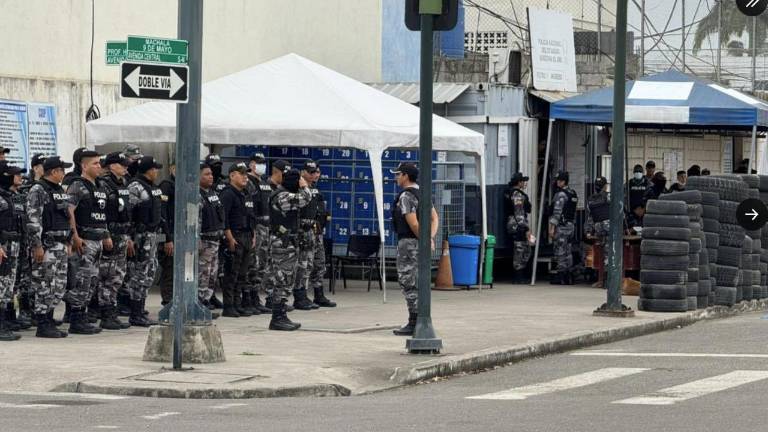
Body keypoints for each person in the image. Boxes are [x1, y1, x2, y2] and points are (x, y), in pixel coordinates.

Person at [27, 156, 73, 338]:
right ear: (54, 171)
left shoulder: (58, 190)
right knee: (44, 285)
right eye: (62, 170)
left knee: (58, 286)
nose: (64, 173)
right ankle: (43, 324)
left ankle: (49, 319)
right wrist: (37, 246)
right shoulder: (38, 190)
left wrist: (68, 241)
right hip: (46, 245)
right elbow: (33, 220)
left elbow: (65, 217)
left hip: (60, 244)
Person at [391, 162, 439, 336]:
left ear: (405, 176)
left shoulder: (406, 196)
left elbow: (413, 223)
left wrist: (425, 240)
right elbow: (435, 218)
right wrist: (430, 237)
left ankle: (414, 321)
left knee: (408, 281)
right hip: (419, 242)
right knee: (419, 281)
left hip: (409, 244)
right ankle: (420, 319)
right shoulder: (422, 193)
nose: (396, 178)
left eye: (398, 174)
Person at [65, 150, 109, 335]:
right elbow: (69, 211)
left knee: (92, 281)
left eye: (99, 163)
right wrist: (74, 236)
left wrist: (106, 234)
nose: (99, 166)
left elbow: (102, 214)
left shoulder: (99, 186)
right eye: (95, 163)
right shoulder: (77, 185)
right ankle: (76, 319)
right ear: (84, 166)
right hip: (85, 240)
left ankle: (82, 316)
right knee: (82, 280)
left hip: (98, 240)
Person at [264, 168, 311, 331]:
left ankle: (281, 315)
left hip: (286, 243)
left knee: (286, 279)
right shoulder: (282, 195)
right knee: (282, 279)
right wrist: (304, 186)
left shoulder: (283, 193)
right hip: (282, 245)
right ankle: (277, 318)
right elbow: (305, 199)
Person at [126, 156, 165, 327]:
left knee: (149, 273)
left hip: (152, 235)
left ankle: (140, 310)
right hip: (140, 237)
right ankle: (135, 313)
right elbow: (128, 214)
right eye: (155, 169)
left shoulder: (152, 187)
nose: (157, 172)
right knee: (139, 274)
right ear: (148, 170)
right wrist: (129, 237)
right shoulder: (135, 186)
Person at [96, 152, 133, 330]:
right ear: (111, 166)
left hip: (122, 235)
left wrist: (129, 236)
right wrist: (105, 235)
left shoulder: (123, 183)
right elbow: (100, 212)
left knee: (118, 276)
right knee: (107, 276)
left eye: (126, 164)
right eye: (121, 164)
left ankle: (112, 311)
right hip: (110, 234)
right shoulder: (103, 184)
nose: (125, 167)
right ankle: (105, 314)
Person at [293, 160, 336, 309]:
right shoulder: (299, 189)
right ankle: (300, 296)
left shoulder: (316, 190)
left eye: (317, 172)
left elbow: (322, 212)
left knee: (318, 263)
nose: (315, 175)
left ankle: (318, 294)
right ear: (303, 172)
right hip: (303, 232)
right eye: (311, 172)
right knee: (303, 265)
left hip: (316, 232)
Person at [219, 162, 256, 318]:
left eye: (246, 174)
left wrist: (253, 235)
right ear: (232, 175)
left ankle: (237, 303)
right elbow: (224, 218)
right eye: (242, 174)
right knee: (231, 273)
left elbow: (251, 216)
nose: (245, 177)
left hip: (247, 236)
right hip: (235, 236)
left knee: (242, 274)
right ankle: (228, 305)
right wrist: (229, 238)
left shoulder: (245, 193)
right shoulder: (228, 194)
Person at [0, 162, 27, 340]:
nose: (18, 177)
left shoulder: (8, 196)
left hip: (13, 244)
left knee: (8, 286)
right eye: (12, 174)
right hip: (3, 245)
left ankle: (4, 322)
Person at [244, 153, 272, 314]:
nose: (262, 166)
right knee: (252, 264)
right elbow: (249, 208)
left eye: (263, 163)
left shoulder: (263, 183)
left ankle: (255, 297)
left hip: (265, 227)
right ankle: (248, 298)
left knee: (261, 264)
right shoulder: (248, 183)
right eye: (259, 163)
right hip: (255, 227)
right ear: (252, 165)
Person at [198, 163, 224, 315]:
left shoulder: (212, 194)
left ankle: (206, 302)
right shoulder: (197, 194)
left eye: (211, 174)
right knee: (203, 274)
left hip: (215, 241)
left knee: (212, 275)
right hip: (204, 241)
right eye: (207, 174)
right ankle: (200, 304)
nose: (211, 176)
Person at [548, 171, 578, 285]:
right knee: (568, 250)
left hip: (562, 226)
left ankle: (561, 275)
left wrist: (552, 228)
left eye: (559, 180)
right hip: (571, 226)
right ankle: (569, 275)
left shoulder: (561, 194)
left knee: (560, 250)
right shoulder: (573, 193)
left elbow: (557, 213)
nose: (557, 182)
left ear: (564, 181)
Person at [504, 172, 532, 284]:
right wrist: (525, 228)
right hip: (517, 225)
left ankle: (521, 274)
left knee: (524, 248)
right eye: (523, 181)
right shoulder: (517, 194)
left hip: (515, 223)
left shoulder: (511, 192)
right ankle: (518, 276)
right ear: (519, 182)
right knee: (520, 249)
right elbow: (519, 212)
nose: (524, 183)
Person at [585, 177, 610, 289]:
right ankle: (607, 281)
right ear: (605, 186)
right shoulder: (609, 197)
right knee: (609, 254)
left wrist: (588, 231)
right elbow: (620, 212)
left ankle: (601, 280)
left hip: (598, 229)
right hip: (609, 229)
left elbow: (590, 217)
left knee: (602, 254)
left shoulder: (591, 199)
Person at [158, 162, 176, 306]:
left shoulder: (182, 185)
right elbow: (162, 213)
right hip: (166, 234)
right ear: (172, 169)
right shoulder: (166, 185)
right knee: (169, 268)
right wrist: (167, 239)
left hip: (177, 233)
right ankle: (168, 300)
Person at [627, 164, 648, 229]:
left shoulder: (647, 183)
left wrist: (644, 209)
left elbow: (651, 197)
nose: (638, 173)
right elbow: (625, 197)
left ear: (642, 172)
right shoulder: (629, 183)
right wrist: (632, 210)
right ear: (633, 172)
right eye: (636, 171)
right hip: (632, 212)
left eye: (640, 171)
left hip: (645, 212)